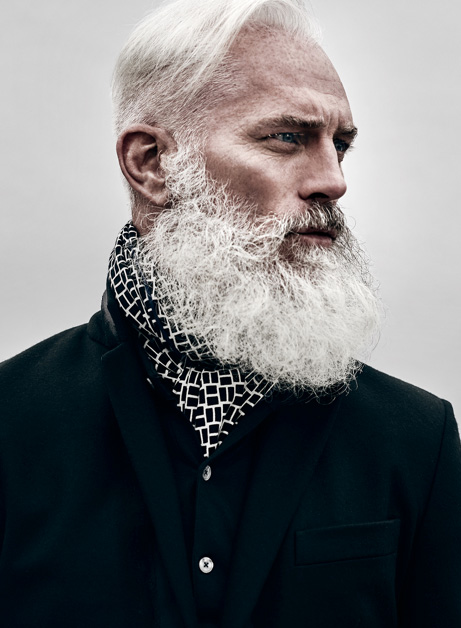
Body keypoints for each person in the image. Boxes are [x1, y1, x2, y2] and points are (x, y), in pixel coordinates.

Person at [0, 0, 460, 626]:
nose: (333, 181)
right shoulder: (11, 424)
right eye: (287, 138)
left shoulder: (415, 439)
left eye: (340, 145)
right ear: (151, 163)